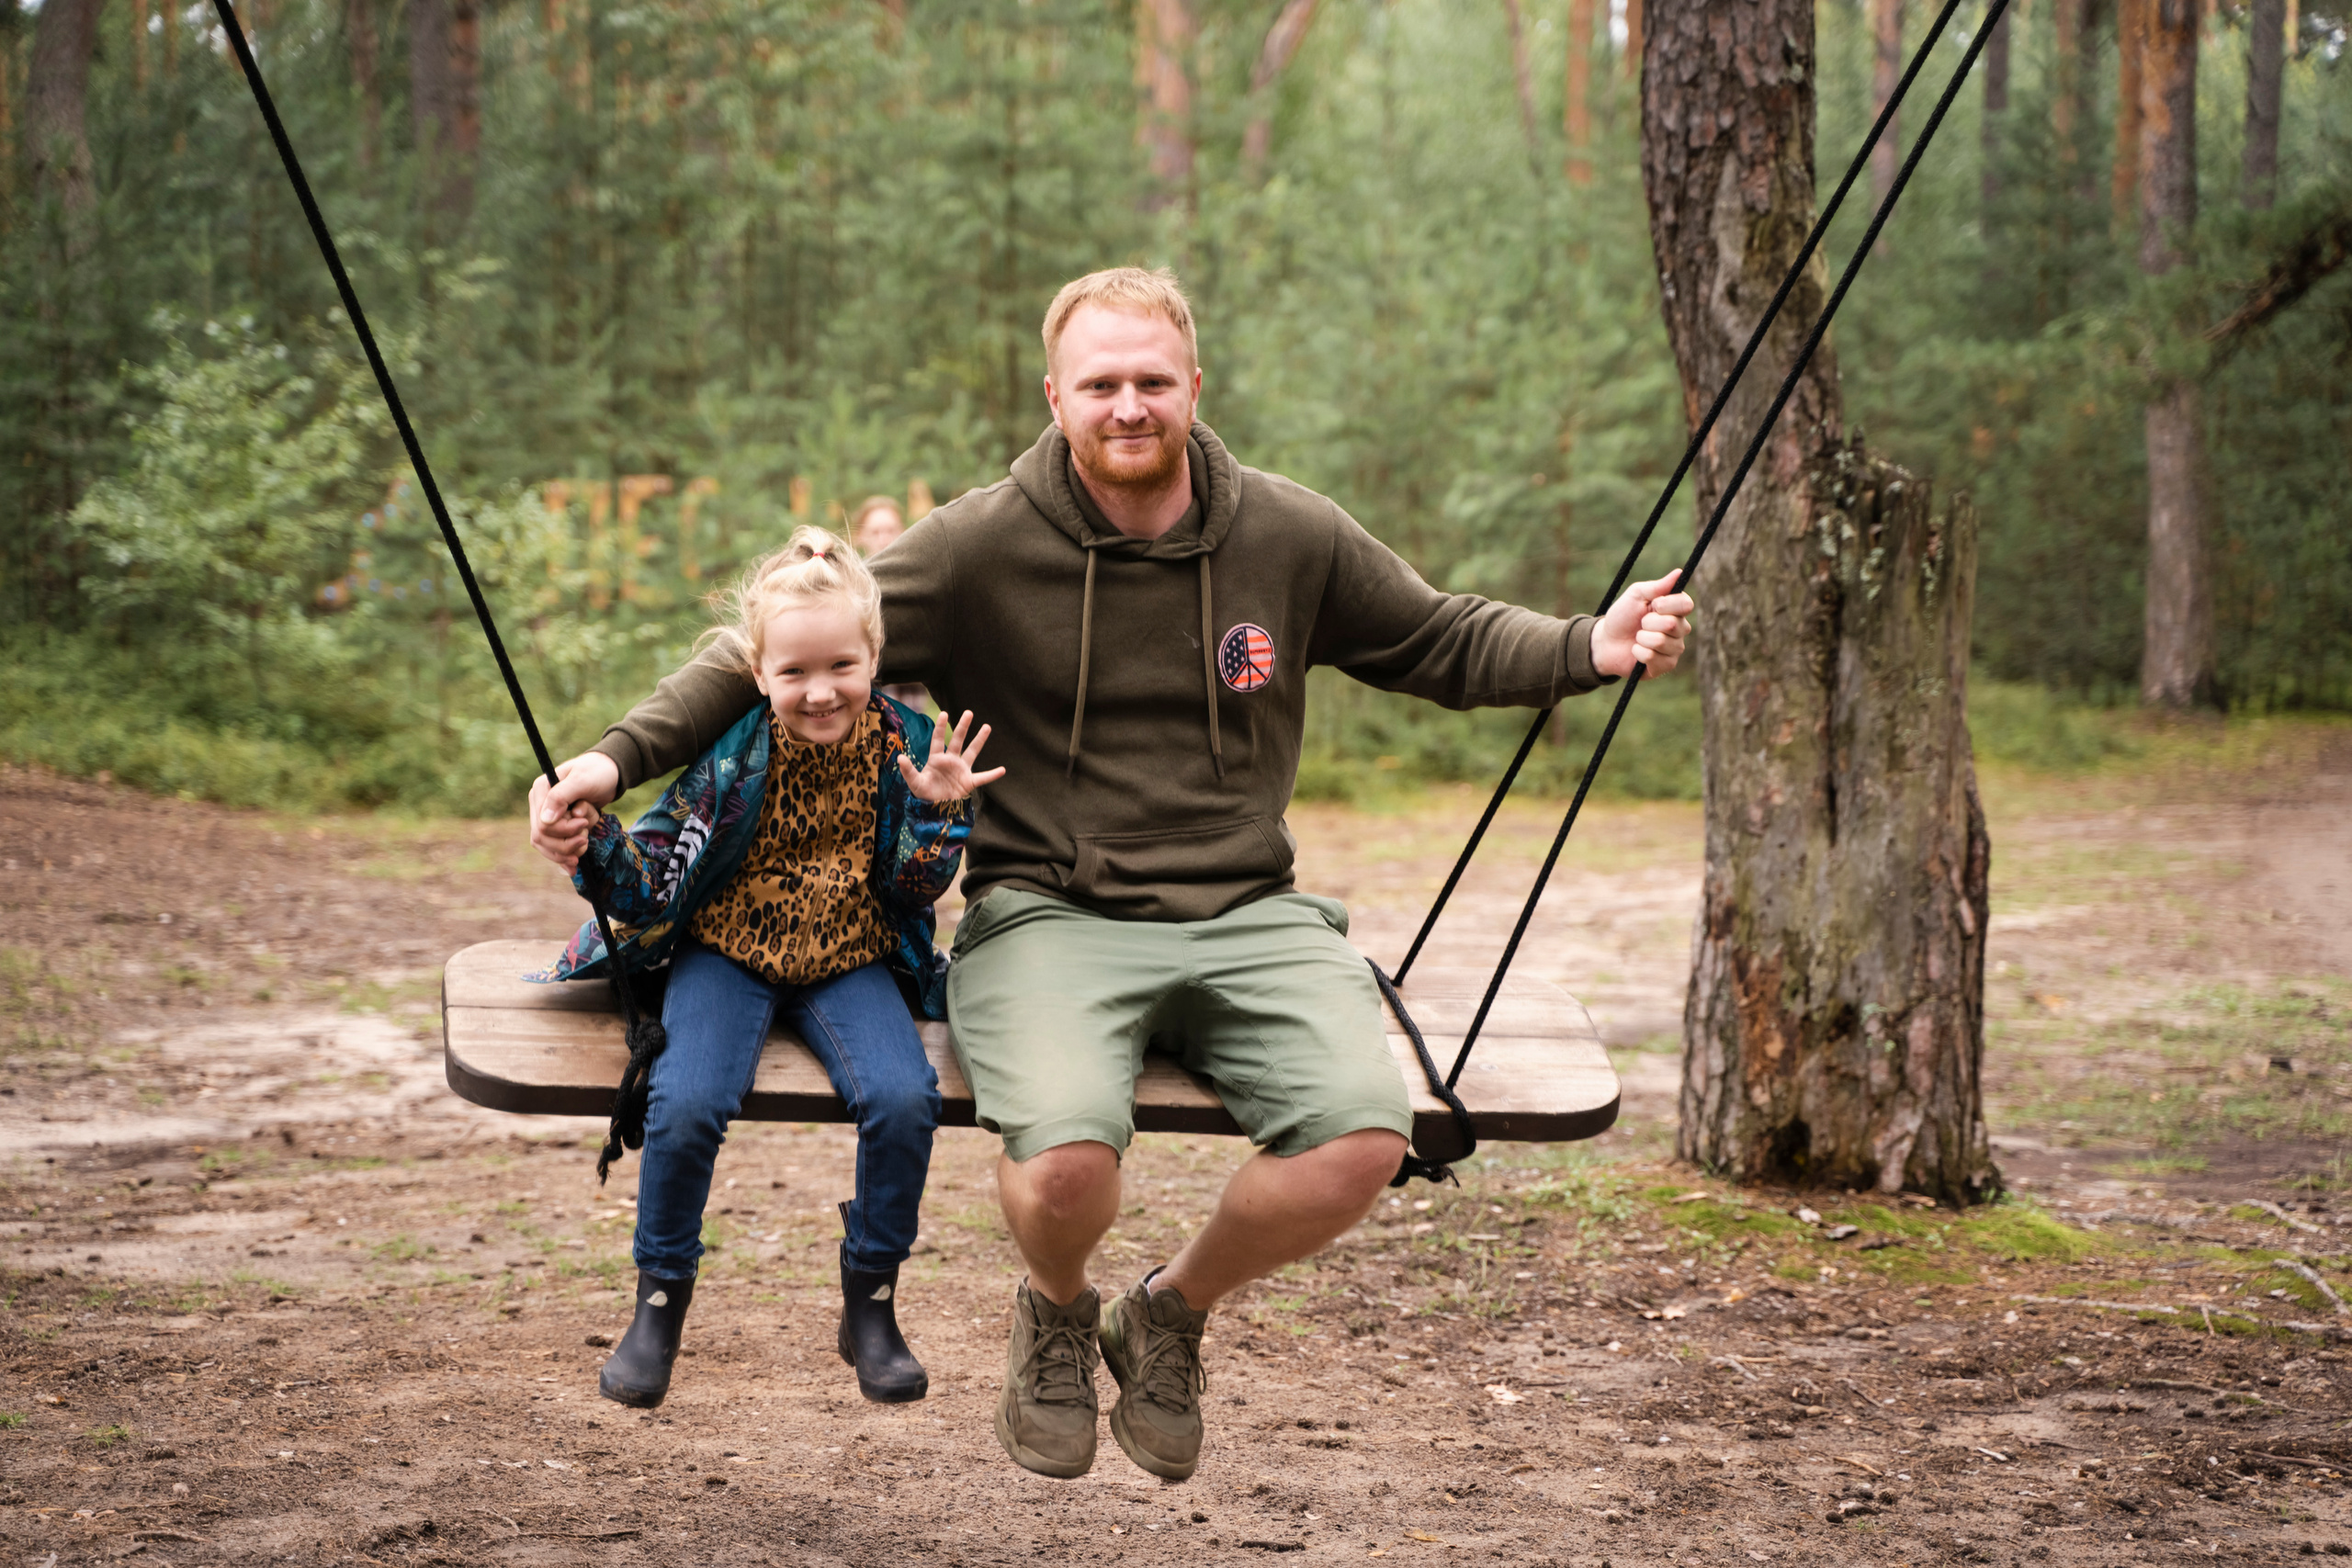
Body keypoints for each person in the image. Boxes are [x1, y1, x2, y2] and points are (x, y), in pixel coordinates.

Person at [528, 266, 1693, 1480]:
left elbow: (1438, 634)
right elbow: (762, 652)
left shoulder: (1289, 533)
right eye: (1101, 383)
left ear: (1194, 384)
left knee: (1359, 1141)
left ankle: (1171, 1309)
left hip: (1252, 908)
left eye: (1151, 380)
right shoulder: (982, 544)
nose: (1128, 405)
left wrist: (1586, 645)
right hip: (1049, 909)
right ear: (1055, 394)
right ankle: (1057, 1304)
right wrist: (609, 762)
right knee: (1070, 1163)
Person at [534, 525, 1002, 1411]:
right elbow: (649, 885)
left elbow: (910, 889)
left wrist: (939, 818)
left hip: (851, 954)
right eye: (794, 673)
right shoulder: (731, 755)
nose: (820, 692)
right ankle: (660, 1301)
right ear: (757, 673)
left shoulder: (906, 745)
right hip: (727, 950)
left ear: (874, 656)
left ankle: (872, 1300)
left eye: (841, 667)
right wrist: (594, 841)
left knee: (905, 1098)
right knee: (686, 1103)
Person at [848, 494, 929, 710]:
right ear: (859, 537)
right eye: (875, 532)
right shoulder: (848, 588)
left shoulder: (920, 581)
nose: (884, 539)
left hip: (910, 699)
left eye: (891, 530)